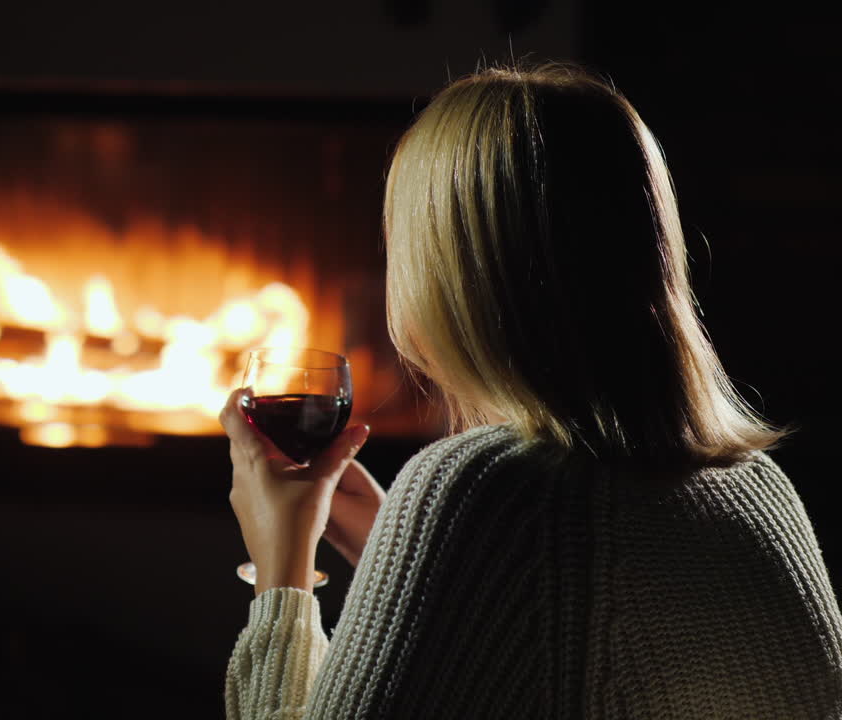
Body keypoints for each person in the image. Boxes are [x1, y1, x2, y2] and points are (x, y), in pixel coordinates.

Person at [220, 62, 842, 719]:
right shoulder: (760, 487)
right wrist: (401, 565)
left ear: (445, 277)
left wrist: (281, 568)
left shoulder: (476, 486)